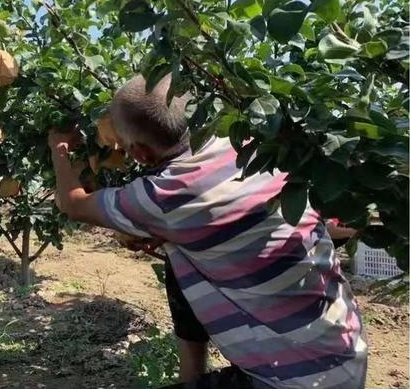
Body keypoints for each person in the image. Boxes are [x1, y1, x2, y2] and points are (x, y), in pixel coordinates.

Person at [48, 75, 367, 389]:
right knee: (180, 255)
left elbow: (73, 204)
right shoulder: (254, 145)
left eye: (126, 146)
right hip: (345, 352)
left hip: (288, 380)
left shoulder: (162, 195)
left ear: (142, 153)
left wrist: (59, 148)